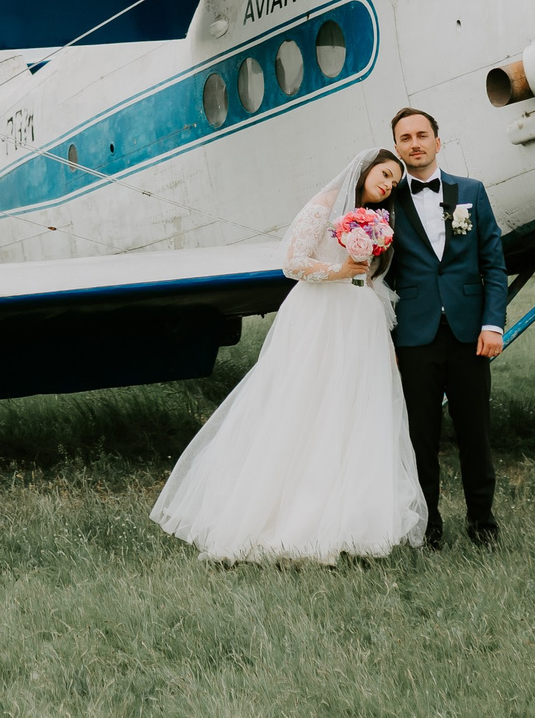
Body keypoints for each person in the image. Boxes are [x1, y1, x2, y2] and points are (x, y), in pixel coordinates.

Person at [150, 148, 428, 562]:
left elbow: (371, 283)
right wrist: (339, 272)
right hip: (319, 316)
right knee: (304, 406)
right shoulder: (323, 207)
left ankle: (348, 521)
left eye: (394, 182)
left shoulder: (380, 222)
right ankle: (283, 518)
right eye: (384, 174)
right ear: (365, 169)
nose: (387, 184)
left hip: (359, 324)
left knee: (350, 413)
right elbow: (293, 263)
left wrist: (385, 344)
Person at [383, 105, 507, 548]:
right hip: (413, 337)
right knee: (420, 438)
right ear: (396, 148)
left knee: (475, 432)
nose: (414, 144)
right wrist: (386, 337)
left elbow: (493, 264)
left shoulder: (471, 191)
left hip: (470, 333)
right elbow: (379, 276)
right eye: (405, 138)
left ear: (438, 141)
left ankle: (483, 525)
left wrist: (493, 324)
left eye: (421, 135)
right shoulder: (388, 203)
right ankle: (427, 527)